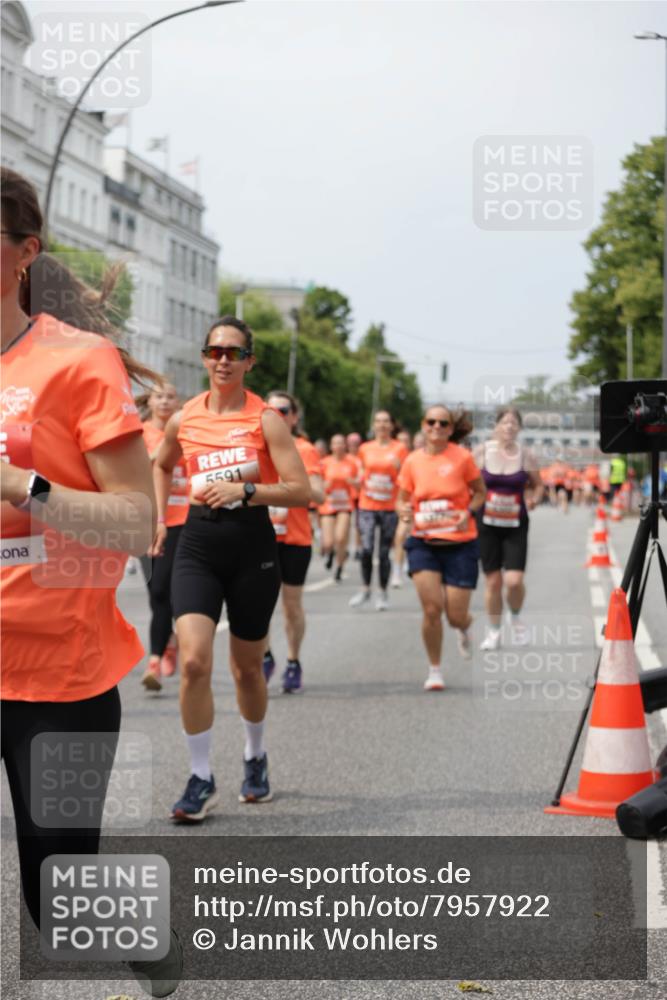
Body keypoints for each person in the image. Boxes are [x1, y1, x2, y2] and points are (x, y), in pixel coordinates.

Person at [0, 168, 184, 998]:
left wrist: (24, 487)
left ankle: (143, 935)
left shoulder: (76, 361)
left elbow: (135, 523)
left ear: (24, 253)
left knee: (56, 893)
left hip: (55, 672)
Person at [152, 319, 309, 817]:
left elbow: (300, 489)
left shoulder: (266, 419)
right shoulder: (185, 417)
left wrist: (246, 490)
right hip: (197, 544)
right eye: (215, 351)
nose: (223, 360)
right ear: (204, 357)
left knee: (246, 670)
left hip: (251, 548)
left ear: (249, 362)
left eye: (233, 353)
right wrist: (159, 518)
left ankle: (255, 755)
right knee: (194, 662)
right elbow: (161, 464)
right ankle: (201, 777)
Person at [397, 404, 486, 690]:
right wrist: (403, 511)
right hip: (424, 543)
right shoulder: (412, 461)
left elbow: (480, 493)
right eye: (431, 421)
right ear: (423, 425)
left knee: (455, 615)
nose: (436, 427)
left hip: (460, 544)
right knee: (432, 609)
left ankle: (465, 626)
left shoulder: (462, 458)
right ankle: (434, 670)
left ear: (450, 429)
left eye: (443, 423)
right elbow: (401, 499)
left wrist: (467, 512)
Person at [265, 391, 324, 691]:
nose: (277, 415)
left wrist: (293, 484)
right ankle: (264, 657)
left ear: (294, 417)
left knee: (291, 606)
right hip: (260, 537)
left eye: (284, 410)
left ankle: (293, 661)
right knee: (257, 604)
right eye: (270, 410)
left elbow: (319, 494)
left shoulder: (305, 449)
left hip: (295, 540)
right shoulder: (254, 447)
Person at [473, 407, 543, 651]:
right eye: (505, 422)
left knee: (513, 581)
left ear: (519, 428)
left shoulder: (526, 455)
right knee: (493, 582)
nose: (509, 427)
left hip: (515, 524)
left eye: (514, 423)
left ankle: (515, 616)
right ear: (496, 426)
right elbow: (466, 481)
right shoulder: (481, 452)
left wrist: (534, 499)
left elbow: (538, 485)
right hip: (487, 524)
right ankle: (494, 631)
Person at [139, 382, 188, 691]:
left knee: (168, 590)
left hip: (182, 520)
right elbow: (133, 470)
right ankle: (168, 640)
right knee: (156, 593)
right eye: (159, 396)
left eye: (171, 396)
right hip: (146, 521)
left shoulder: (186, 432)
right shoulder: (139, 434)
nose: (165, 401)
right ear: (150, 401)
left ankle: (154, 663)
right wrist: (160, 451)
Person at [349, 410, 408, 611]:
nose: (382, 425)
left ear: (391, 426)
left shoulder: (399, 448)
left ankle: (382, 592)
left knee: (383, 553)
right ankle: (365, 589)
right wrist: (357, 481)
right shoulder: (365, 448)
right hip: (367, 505)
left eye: (385, 421)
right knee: (366, 549)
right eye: (378, 421)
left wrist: (399, 469)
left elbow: (406, 477)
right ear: (373, 425)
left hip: (389, 507)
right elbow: (361, 473)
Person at [318, 433, 359, 582]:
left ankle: (340, 567)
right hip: (328, 504)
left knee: (341, 538)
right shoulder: (324, 463)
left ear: (345, 445)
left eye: (341, 443)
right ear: (331, 446)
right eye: (335, 443)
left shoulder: (351, 463)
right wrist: (324, 485)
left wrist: (352, 482)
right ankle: (330, 553)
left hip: (345, 505)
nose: (339, 446)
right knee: (328, 542)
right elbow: (317, 483)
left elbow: (359, 484)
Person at [391, 430, 413, 588]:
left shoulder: (414, 460)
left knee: (403, 534)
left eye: (405, 441)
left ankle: (402, 567)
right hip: (392, 504)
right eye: (400, 441)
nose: (402, 444)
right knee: (400, 536)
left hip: (412, 504)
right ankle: (398, 569)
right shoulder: (389, 459)